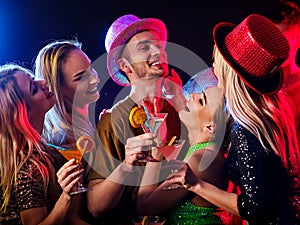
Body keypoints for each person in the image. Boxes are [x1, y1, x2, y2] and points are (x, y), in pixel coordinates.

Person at [166, 14, 300, 225]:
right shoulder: (270, 116)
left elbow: (254, 208)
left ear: (229, 73)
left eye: (216, 62)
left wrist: (195, 184)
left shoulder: (246, 129)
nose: (213, 68)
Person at [86, 14, 185, 224]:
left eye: (159, 46)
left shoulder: (182, 111)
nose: (158, 51)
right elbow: (95, 207)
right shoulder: (113, 121)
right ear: (125, 65)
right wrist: (126, 165)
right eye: (144, 48)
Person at [134, 76, 233, 225]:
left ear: (210, 127)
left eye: (202, 101)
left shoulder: (200, 159)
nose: (192, 95)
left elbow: (144, 207)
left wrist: (156, 154)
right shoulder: (205, 153)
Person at [0, 63, 85, 224]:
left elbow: (74, 219)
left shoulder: (47, 151)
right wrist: (66, 197)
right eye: (33, 89)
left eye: (34, 79)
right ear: (24, 115)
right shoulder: (27, 169)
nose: (43, 83)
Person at [33, 39, 100, 224]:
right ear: (57, 89)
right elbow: (73, 219)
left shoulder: (90, 125)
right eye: (81, 77)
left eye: (91, 70)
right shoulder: (61, 142)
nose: (94, 79)